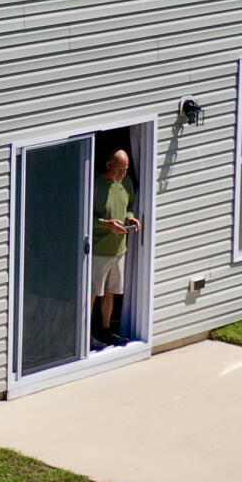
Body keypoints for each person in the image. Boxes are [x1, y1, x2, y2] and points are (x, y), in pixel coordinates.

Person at [92, 146, 140, 346]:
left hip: (119, 249)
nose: (123, 174)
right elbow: (82, 216)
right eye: (119, 169)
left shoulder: (126, 183)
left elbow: (128, 207)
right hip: (97, 250)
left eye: (126, 169)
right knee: (93, 293)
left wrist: (130, 218)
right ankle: (86, 335)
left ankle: (105, 330)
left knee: (110, 291)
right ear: (108, 165)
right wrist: (105, 224)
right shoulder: (95, 185)